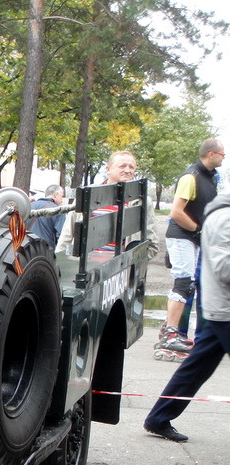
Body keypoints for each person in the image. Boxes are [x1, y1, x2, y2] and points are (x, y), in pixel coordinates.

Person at [143, 191, 230, 442]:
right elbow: (224, 268)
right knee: (196, 367)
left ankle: (158, 418)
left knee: (196, 368)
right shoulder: (224, 218)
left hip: (220, 309)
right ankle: (158, 418)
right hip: (223, 310)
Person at [156, 138, 224, 358]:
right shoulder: (190, 176)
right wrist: (198, 231)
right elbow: (175, 212)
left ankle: (171, 331)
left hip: (192, 239)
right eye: (223, 154)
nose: (224, 157)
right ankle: (170, 334)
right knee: (183, 283)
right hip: (182, 236)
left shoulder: (210, 177)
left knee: (189, 286)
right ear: (211, 154)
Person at [55, 150, 159, 262]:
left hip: (121, 271)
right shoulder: (88, 195)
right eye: (122, 166)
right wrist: (60, 263)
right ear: (108, 169)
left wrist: (131, 263)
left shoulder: (142, 202)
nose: (128, 170)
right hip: (86, 267)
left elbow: (152, 244)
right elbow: (67, 234)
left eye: (131, 167)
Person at [28, 184, 66, 249]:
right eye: (61, 196)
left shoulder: (28, 207)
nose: (62, 200)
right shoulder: (58, 211)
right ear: (56, 194)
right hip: (46, 252)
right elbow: (62, 237)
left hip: (26, 250)